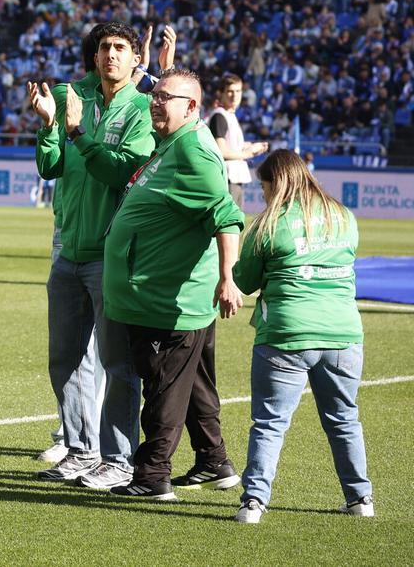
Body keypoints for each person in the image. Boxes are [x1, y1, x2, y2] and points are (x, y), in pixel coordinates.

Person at [103, 69, 245, 500]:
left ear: (192, 107)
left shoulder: (193, 152)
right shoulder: (172, 142)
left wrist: (228, 277)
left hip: (170, 301)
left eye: (166, 97)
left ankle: (152, 476)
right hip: (162, 297)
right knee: (193, 384)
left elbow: (226, 216)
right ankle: (213, 461)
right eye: (156, 95)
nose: (156, 102)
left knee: (163, 388)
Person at [27, 22, 156, 490]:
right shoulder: (74, 101)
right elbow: (50, 167)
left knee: (117, 363)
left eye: (120, 48)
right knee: (65, 360)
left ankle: (119, 459)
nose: (111, 55)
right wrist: (49, 127)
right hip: (69, 250)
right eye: (104, 47)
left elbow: (123, 172)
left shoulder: (141, 109)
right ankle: (81, 451)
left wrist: (78, 132)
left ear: (135, 58)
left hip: (111, 254)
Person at [231, 150, 372, 523]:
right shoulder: (343, 216)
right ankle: (361, 499)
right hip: (342, 333)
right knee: (344, 419)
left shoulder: (268, 224)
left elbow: (244, 281)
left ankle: (254, 503)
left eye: (264, 188)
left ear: (275, 183)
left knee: (270, 423)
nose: (263, 196)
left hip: (285, 333)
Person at [208, 75, 268, 209]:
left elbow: (231, 144)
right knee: (229, 219)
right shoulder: (219, 116)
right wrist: (248, 153)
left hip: (234, 177)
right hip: (227, 178)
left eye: (238, 91)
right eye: (230, 91)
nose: (234, 95)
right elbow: (221, 151)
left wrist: (250, 147)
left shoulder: (230, 115)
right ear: (221, 93)